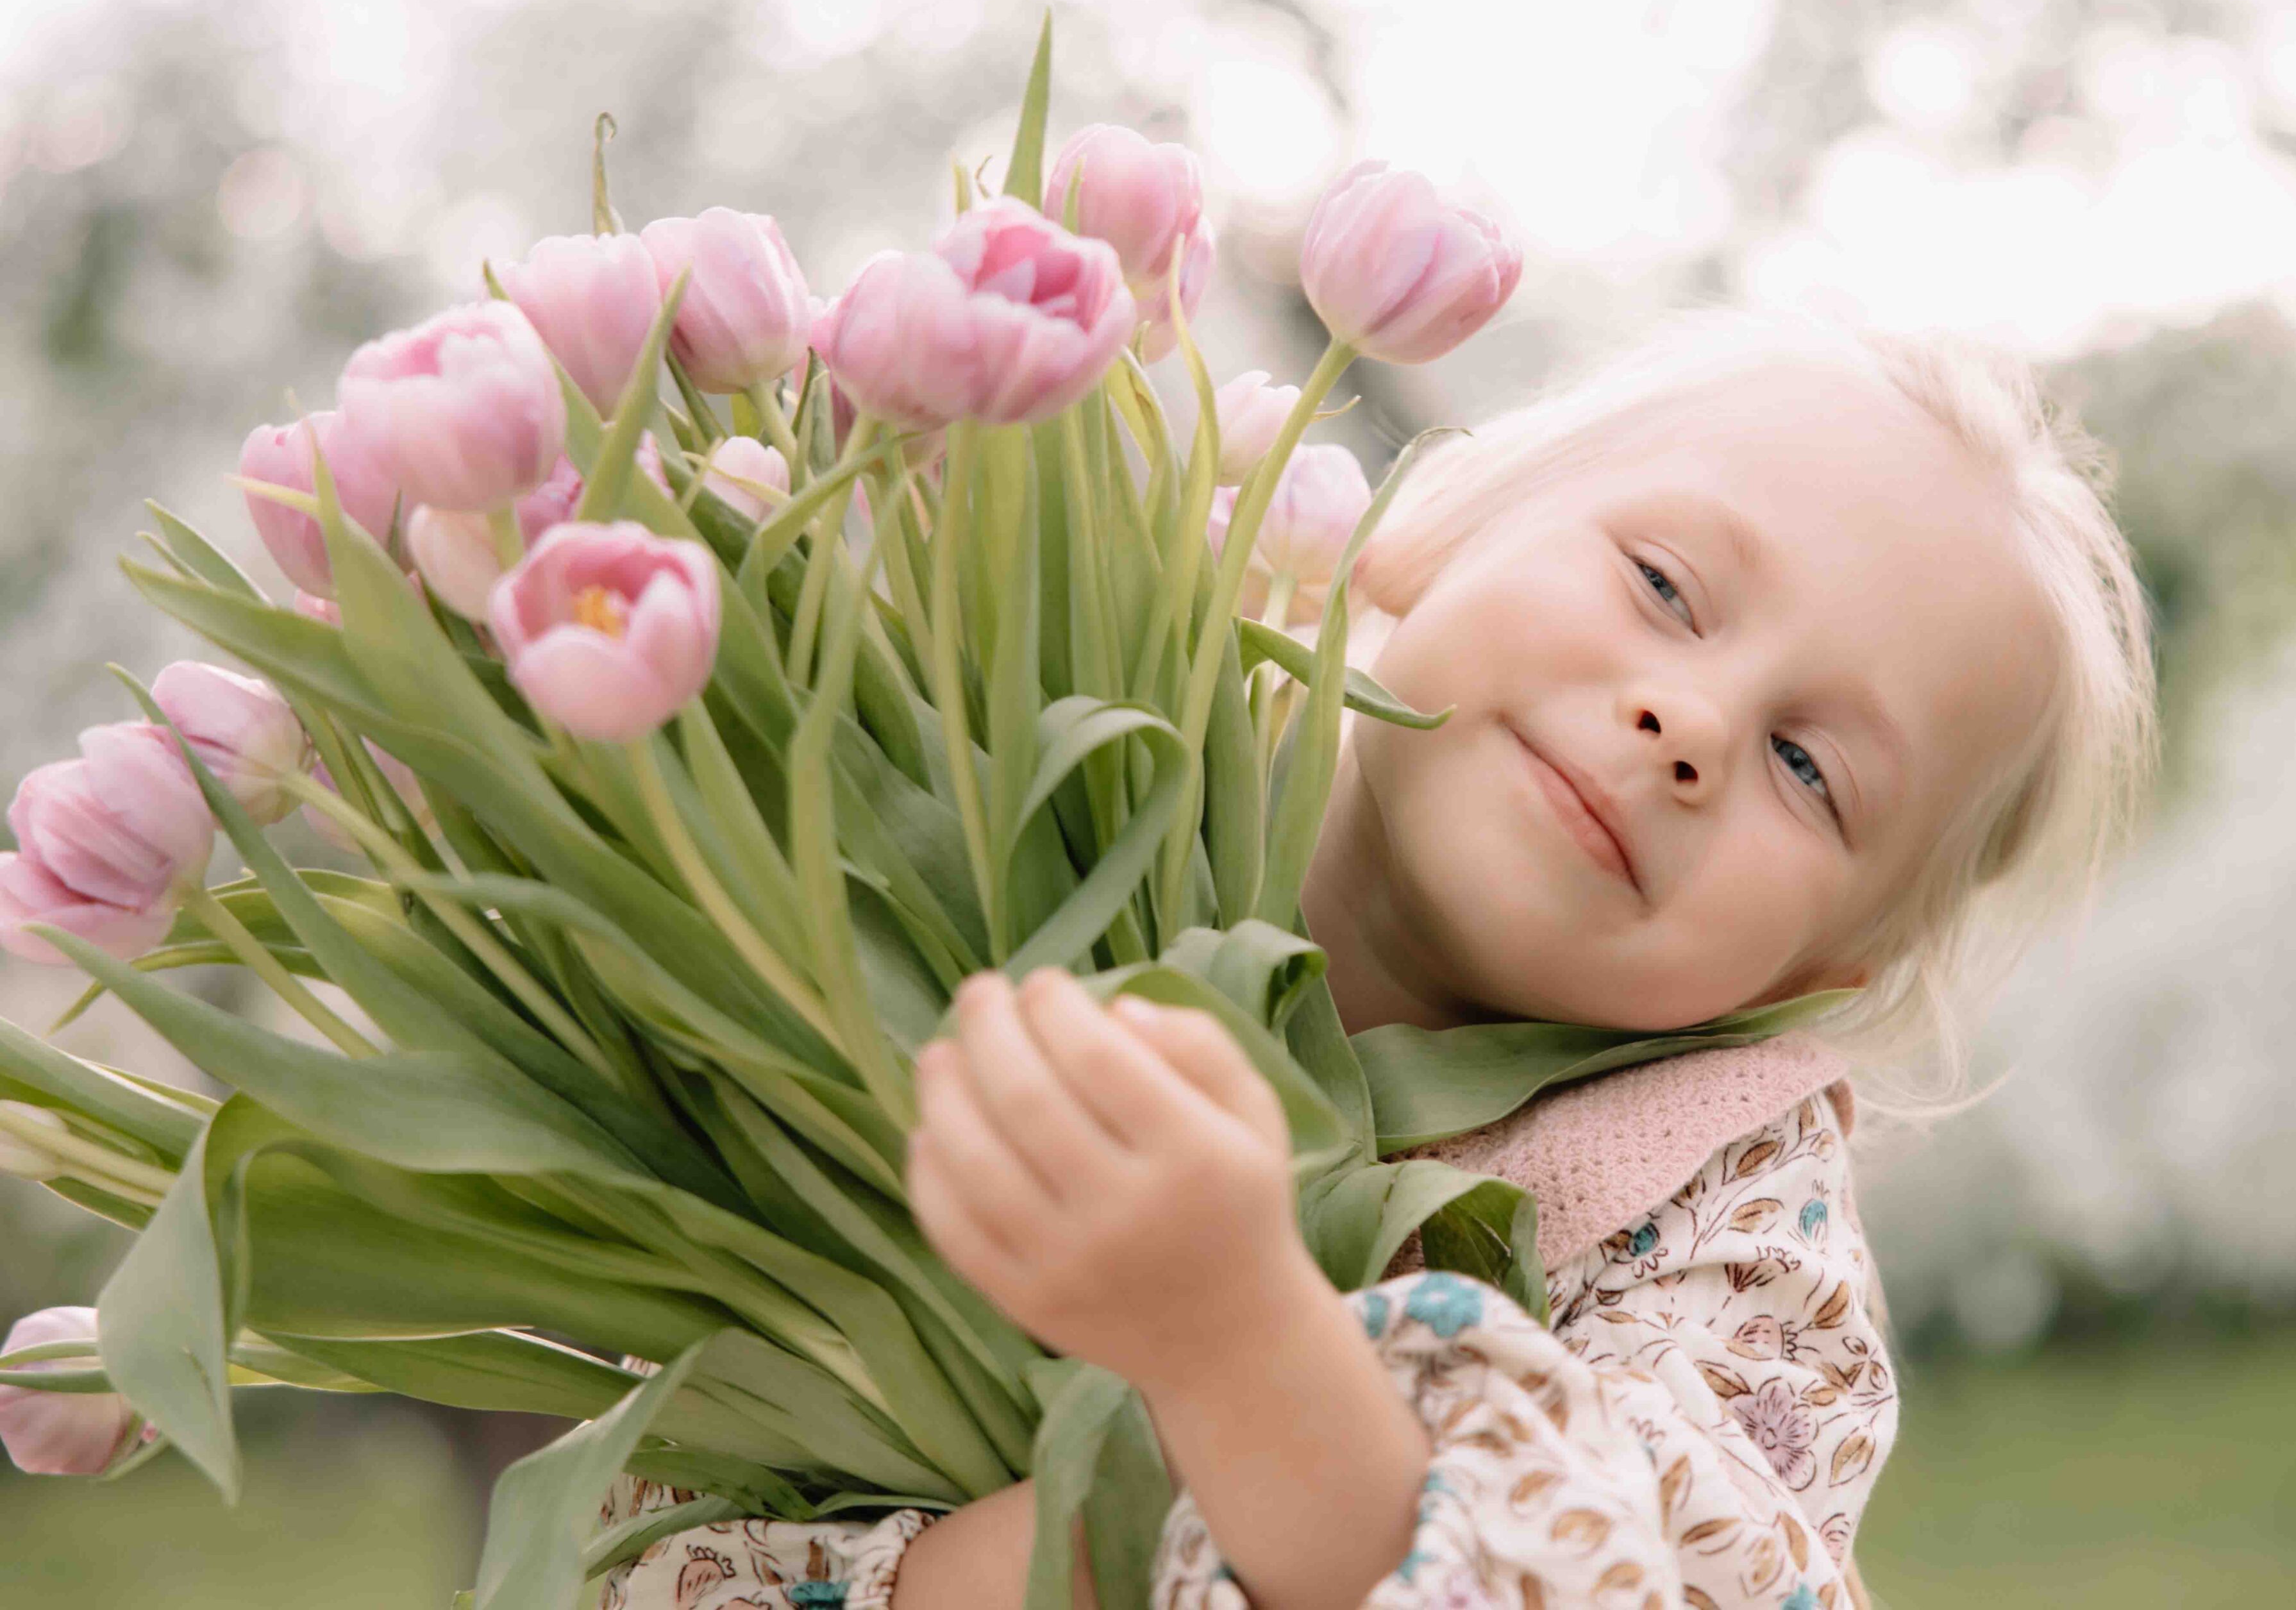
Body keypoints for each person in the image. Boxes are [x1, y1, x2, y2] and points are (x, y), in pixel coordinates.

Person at [599, 306, 2159, 1610]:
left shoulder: (1733, 1222)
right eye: (1664, 587)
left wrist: (1232, 1341)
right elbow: (665, 1521)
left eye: (1812, 771)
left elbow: (1659, 1577)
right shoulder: (1010, 804)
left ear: (1827, 970)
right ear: (1438, 520)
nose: (1687, 728)